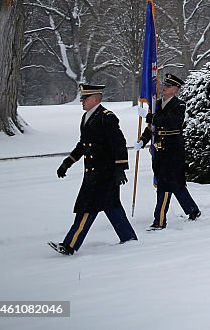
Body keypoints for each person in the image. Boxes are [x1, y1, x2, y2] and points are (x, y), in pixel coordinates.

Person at [50, 83, 137, 255]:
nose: (82, 101)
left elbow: (119, 144)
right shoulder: (87, 118)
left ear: (96, 98)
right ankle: (128, 238)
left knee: (87, 208)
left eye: (85, 98)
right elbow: (83, 145)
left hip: (104, 173)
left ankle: (70, 245)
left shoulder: (107, 117)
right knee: (111, 206)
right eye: (82, 98)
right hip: (93, 173)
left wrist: (120, 169)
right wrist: (68, 162)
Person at [139, 72, 201, 229]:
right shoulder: (157, 104)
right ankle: (192, 209)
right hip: (159, 148)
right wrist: (143, 140)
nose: (164, 88)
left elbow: (171, 122)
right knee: (176, 183)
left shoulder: (179, 105)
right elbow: (153, 128)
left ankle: (159, 220)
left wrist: (151, 117)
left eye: (167, 86)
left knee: (165, 184)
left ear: (175, 89)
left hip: (173, 148)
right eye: (164, 85)